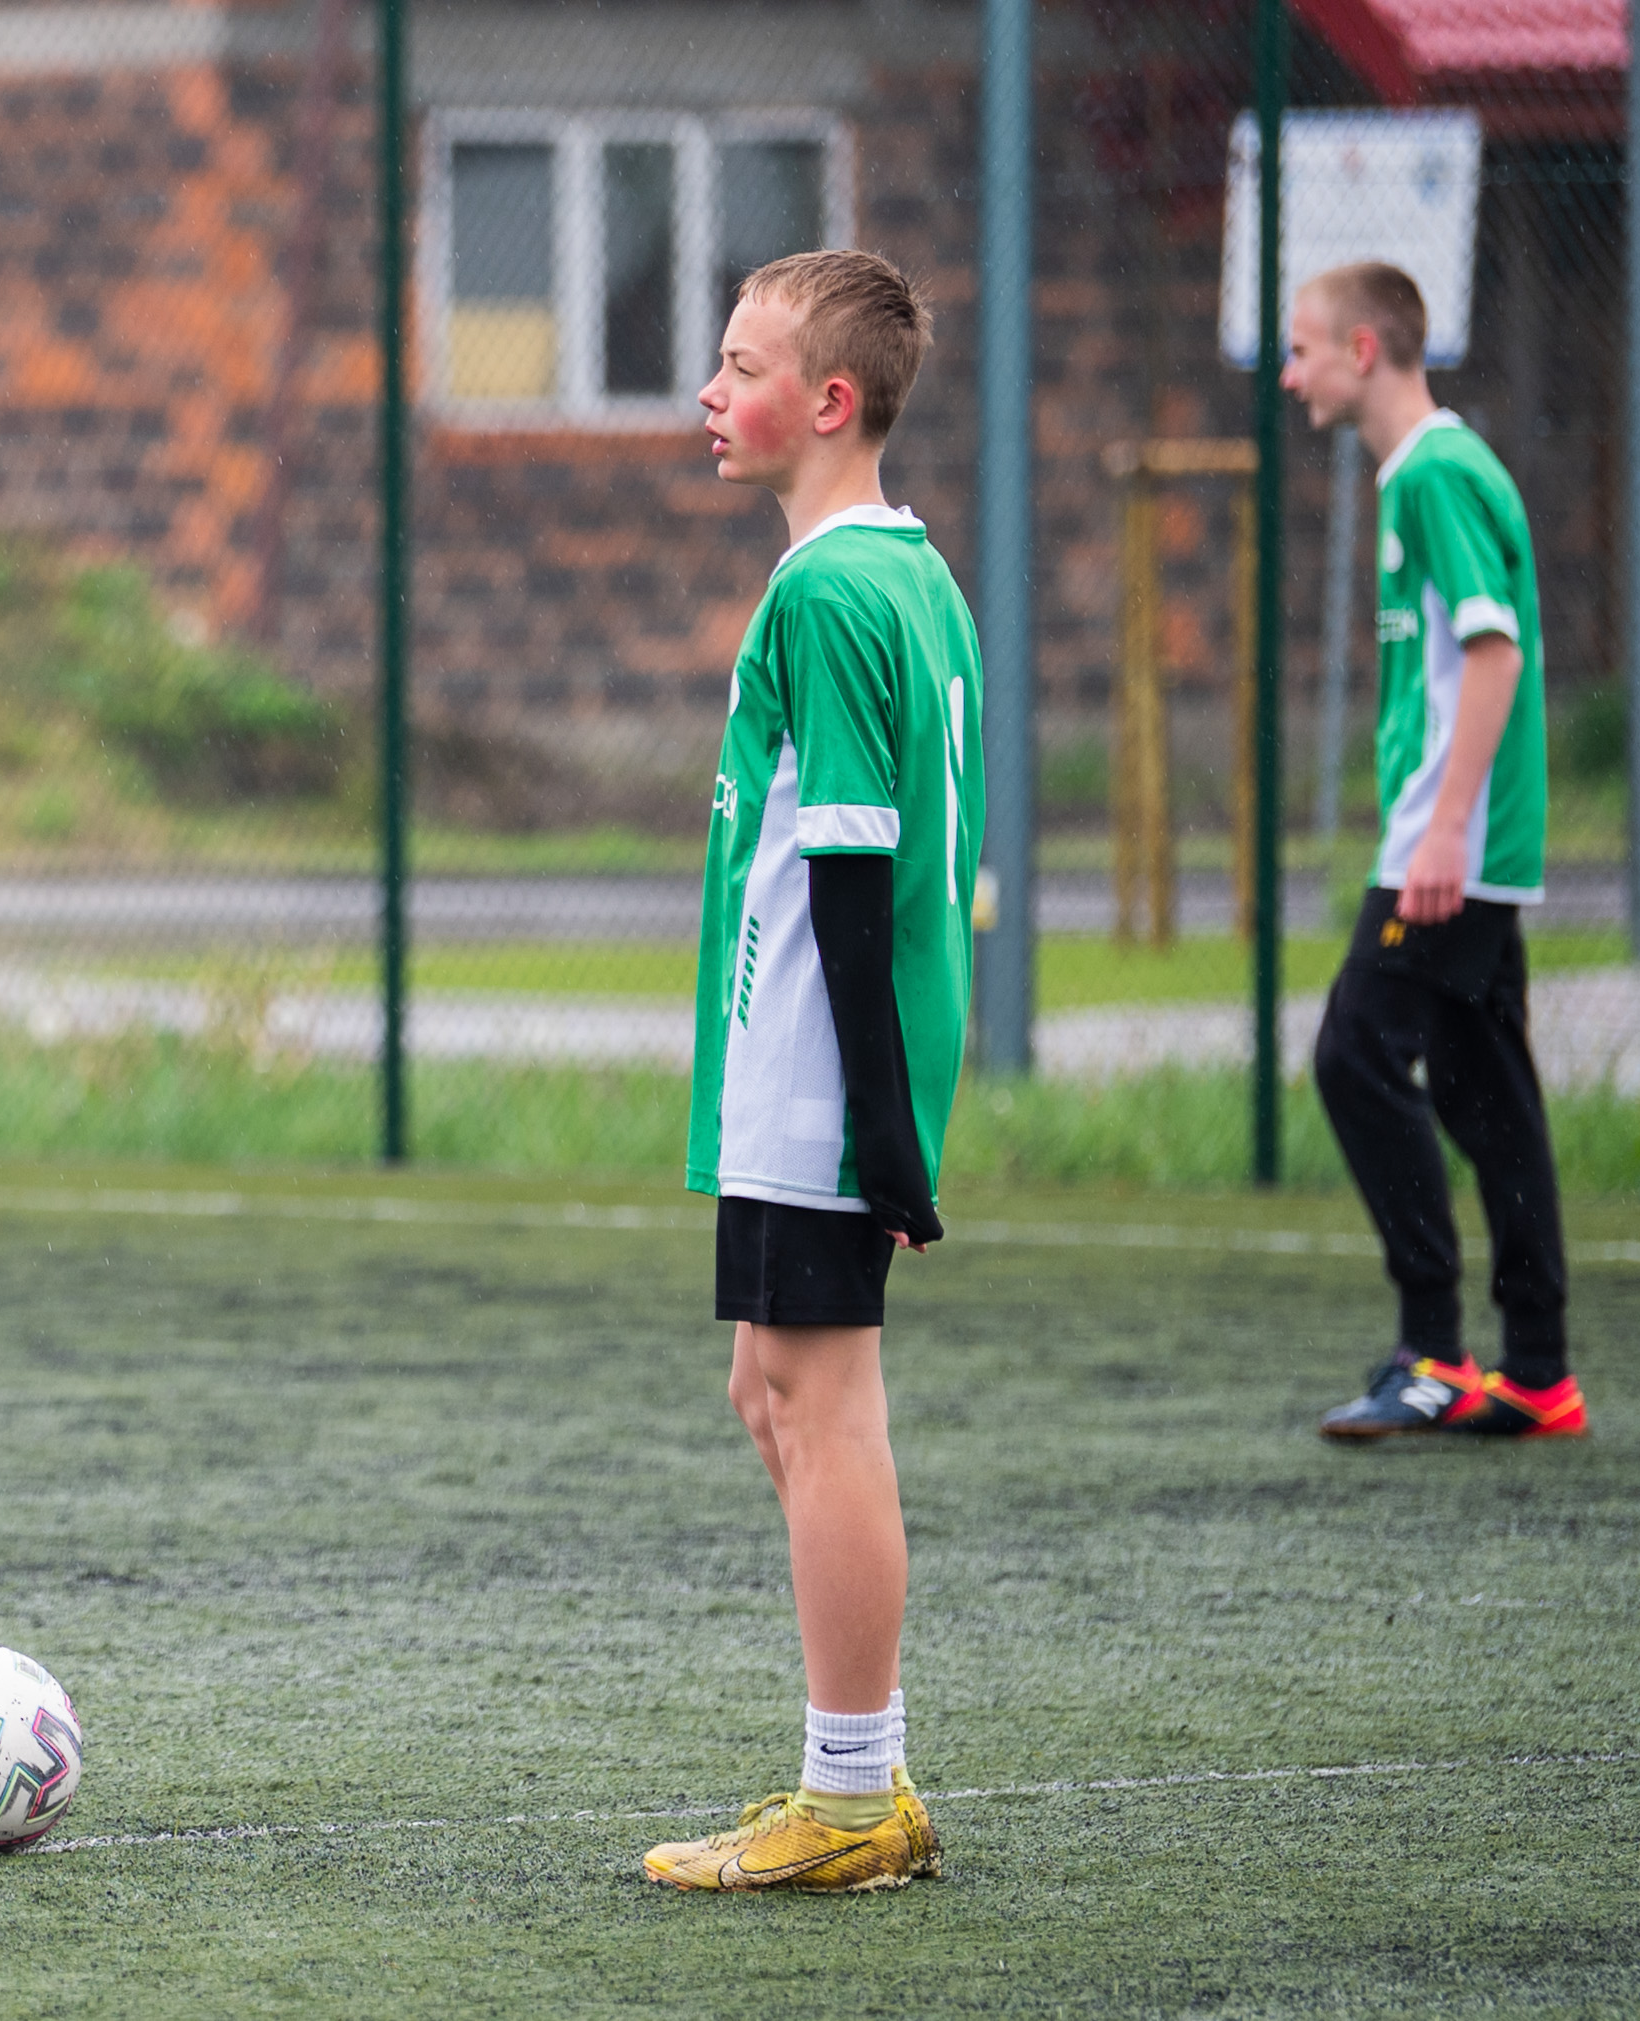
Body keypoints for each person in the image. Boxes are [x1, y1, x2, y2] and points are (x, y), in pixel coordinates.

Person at [641, 249, 975, 1893]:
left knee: (821, 1410)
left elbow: (851, 872)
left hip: (820, 1076)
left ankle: (848, 1797)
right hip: (814, 1070)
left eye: (742, 366)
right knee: (770, 1394)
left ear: (829, 401)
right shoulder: (907, 572)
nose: (711, 394)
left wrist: (883, 1125)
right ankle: (868, 1771)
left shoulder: (830, 594)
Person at [1279, 264, 1586, 1444]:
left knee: (1353, 1053)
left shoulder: (1434, 475)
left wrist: (1447, 825)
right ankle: (1538, 1368)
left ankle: (1434, 1351)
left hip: (1448, 846)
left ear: (1363, 350)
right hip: (1458, 839)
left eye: (1302, 349)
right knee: (1481, 1086)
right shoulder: (1426, 472)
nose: (1290, 374)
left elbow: (1493, 654)